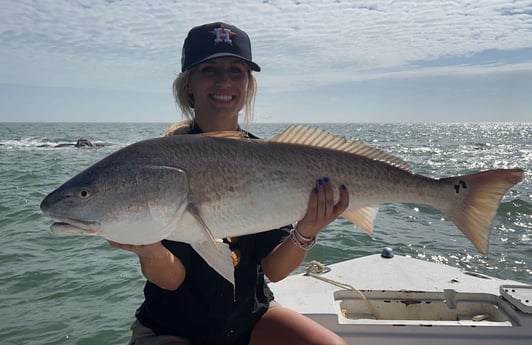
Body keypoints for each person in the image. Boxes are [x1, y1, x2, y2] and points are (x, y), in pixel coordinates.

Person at [110, 22, 349, 345]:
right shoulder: (164, 165)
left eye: (236, 71)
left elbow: (275, 269)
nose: (224, 81)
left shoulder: (270, 158)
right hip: (171, 327)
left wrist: (307, 229)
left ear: (248, 85)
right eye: (209, 69)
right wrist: (149, 250)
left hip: (250, 319)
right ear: (189, 84)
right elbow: (172, 279)